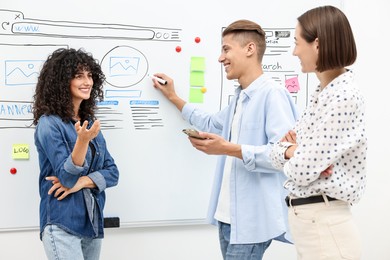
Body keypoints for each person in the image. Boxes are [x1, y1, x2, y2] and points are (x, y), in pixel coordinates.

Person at [152, 19, 299, 260]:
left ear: (250, 49)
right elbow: (211, 123)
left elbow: (283, 155)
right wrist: (173, 97)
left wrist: (228, 149)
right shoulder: (240, 98)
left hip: (251, 221)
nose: (221, 58)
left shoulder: (273, 95)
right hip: (227, 217)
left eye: (226, 49)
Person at [270, 5, 367, 260]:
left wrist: (296, 156)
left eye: (296, 42)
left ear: (317, 44)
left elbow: (301, 171)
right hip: (312, 226)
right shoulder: (322, 94)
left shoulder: (344, 96)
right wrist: (294, 151)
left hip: (325, 226)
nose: (294, 51)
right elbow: (276, 153)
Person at [32, 48, 119, 260]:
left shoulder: (88, 122)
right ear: (62, 81)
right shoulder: (49, 123)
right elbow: (67, 178)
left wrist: (82, 182)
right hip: (62, 222)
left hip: (91, 222)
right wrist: (81, 142)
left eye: (89, 75)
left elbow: (112, 173)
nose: (87, 81)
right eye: (79, 76)